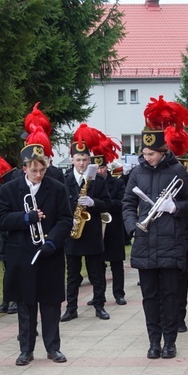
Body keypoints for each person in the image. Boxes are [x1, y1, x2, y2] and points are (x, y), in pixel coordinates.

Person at [122, 96, 188, 359]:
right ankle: (153, 341)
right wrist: (132, 226)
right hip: (144, 243)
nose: (147, 158)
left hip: (170, 243)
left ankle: (170, 342)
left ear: (163, 152)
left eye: (151, 154)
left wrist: (174, 208)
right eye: (144, 154)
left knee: (169, 295)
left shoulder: (178, 171)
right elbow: (127, 204)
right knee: (149, 298)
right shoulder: (137, 173)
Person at [0, 144, 73, 366]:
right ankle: (25, 350)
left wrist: (52, 241)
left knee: (51, 304)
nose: (39, 175)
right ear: (24, 168)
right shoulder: (9, 189)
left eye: (42, 170)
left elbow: (65, 219)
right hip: (22, 255)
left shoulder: (57, 188)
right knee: (25, 305)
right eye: (34, 170)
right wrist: (25, 218)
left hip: (49, 253)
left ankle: (53, 348)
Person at [61, 136, 112, 322]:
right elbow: (58, 206)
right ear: (72, 160)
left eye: (85, 159)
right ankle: (71, 308)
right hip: (72, 232)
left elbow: (108, 203)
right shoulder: (64, 179)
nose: (81, 163)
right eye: (78, 159)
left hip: (92, 232)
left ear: (89, 160)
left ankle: (100, 306)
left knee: (97, 273)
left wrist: (93, 202)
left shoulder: (97, 180)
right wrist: (68, 221)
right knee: (72, 274)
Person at [95, 155, 127, 306]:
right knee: (98, 264)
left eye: (101, 167)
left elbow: (121, 203)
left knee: (116, 263)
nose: (99, 171)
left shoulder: (117, 182)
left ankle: (119, 294)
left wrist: (102, 204)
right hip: (97, 228)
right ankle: (99, 295)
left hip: (113, 227)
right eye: (96, 168)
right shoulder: (92, 183)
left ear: (106, 167)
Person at [0, 156, 19, 315]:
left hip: (12, 237)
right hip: (6, 237)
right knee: (9, 271)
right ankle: (7, 299)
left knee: (13, 270)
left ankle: (12, 299)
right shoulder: (1, 192)